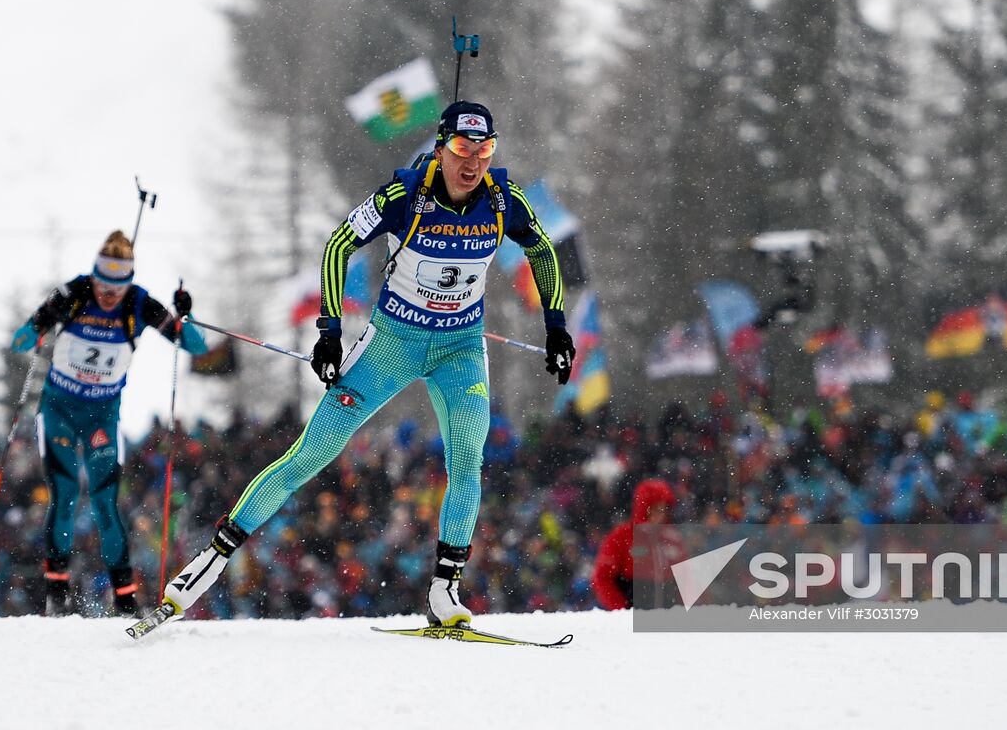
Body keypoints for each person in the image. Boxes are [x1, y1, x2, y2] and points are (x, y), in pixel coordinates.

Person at [161, 101, 575, 627]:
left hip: (461, 349)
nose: (473, 162)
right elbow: (338, 245)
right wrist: (330, 333)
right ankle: (209, 561)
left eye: (484, 150)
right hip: (392, 342)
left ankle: (445, 591)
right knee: (312, 454)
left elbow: (542, 250)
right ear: (442, 147)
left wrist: (557, 326)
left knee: (468, 462)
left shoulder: (503, 200)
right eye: (462, 149)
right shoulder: (405, 194)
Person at [12, 230, 205, 616]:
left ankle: (125, 599)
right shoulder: (76, 293)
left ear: (128, 282)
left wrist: (185, 315)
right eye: (103, 285)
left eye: (117, 287)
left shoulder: (139, 304)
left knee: (105, 504)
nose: (108, 295)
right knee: (65, 496)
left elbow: (195, 346)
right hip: (59, 411)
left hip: (102, 415)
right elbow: (21, 341)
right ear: (94, 277)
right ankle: (57, 595)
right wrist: (42, 318)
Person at [592, 478, 677, 610]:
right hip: (630, 619)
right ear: (644, 508)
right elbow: (602, 579)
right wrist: (622, 610)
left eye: (665, 510)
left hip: (667, 620)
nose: (661, 516)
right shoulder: (621, 537)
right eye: (656, 509)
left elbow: (687, 581)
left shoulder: (672, 539)